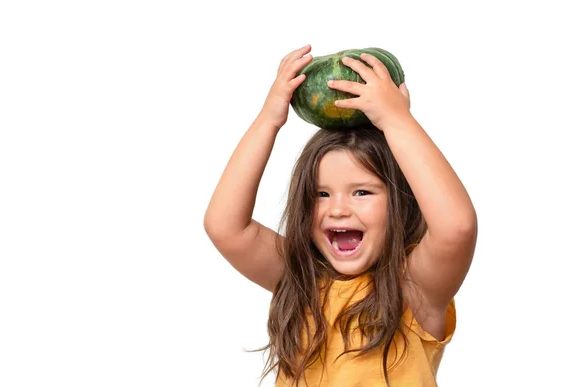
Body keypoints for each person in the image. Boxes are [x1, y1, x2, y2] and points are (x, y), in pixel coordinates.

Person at [204, 44, 478, 387]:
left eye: (362, 192)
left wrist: (396, 120)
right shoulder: (301, 279)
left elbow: (457, 228)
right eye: (320, 194)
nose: (337, 209)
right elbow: (225, 226)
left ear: (401, 200)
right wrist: (268, 121)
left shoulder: (414, 289)